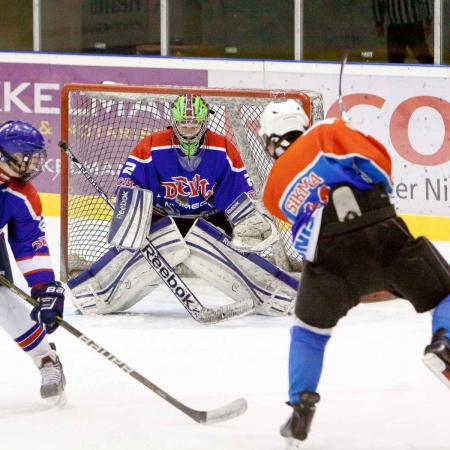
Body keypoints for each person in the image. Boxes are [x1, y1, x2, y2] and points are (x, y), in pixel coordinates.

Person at [258, 99, 450, 447]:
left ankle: (301, 409)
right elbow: (380, 163)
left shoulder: (272, 186)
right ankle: (444, 344)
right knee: (446, 293)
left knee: (309, 332)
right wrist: (344, 136)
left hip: (328, 259)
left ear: (271, 142)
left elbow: (296, 214)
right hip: (380, 231)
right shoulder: (327, 130)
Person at [68, 93, 298, 317]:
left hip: (209, 220)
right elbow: (129, 183)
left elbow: (238, 194)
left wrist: (247, 219)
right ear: (174, 122)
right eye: (183, 124)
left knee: (223, 249)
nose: (188, 131)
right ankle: (97, 294)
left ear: (205, 122)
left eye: (194, 125)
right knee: (141, 246)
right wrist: (131, 208)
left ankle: (272, 294)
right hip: (163, 219)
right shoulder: (151, 146)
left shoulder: (222, 148)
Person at [0, 120, 67, 406]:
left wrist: (45, 288)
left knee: (2, 301)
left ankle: (47, 360)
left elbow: (29, 244)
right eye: (31, 157)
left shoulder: (21, 195)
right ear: (11, 156)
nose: (36, 164)